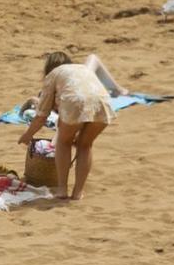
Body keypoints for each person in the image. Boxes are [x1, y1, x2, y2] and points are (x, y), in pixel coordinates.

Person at [18, 51, 114, 202]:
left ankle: (62, 189)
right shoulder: (81, 69)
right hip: (103, 101)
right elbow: (88, 97)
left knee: (64, 142)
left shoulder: (53, 75)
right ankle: (78, 192)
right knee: (85, 145)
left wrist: (28, 135)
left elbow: (41, 116)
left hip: (75, 101)